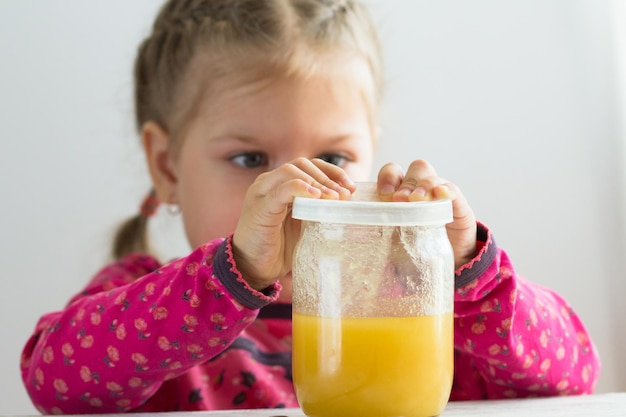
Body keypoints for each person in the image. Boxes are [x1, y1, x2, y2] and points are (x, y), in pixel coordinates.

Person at [20, 0, 600, 414]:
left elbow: (572, 377)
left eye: (333, 156)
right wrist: (234, 273)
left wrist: (466, 270)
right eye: (250, 160)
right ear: (167, 166)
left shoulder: (418, 310)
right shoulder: (152, 312)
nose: (298, 197)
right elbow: (54, 383)